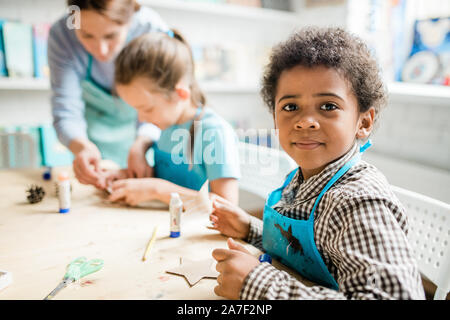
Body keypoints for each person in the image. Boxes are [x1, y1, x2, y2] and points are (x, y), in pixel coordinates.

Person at [210, 27, 425, 300]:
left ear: (364, 122)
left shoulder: (357, 203)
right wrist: (251, 229)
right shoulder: (299, 178)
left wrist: (259, 285)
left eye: (327, 106)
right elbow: (307, 252)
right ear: (275, 119)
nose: (304, 121)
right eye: (290, 107)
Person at [106, 30, 240, 205]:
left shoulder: (214, 133)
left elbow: (227, 206)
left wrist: (156, 189)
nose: (142, 118)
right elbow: (172, 178)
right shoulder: (166, 123)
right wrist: (131, 180)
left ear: (180, 94)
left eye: (147, 108)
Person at [48, 0, 168, 189]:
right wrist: (82, 147)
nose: (101, 50)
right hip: (93, 133)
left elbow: (161, 104)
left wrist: (142, 144)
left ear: (130, 21)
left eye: (111, 36)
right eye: (87, 35)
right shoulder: (61, 35)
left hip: (147, 135)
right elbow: (65, 110)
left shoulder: (152, 29)